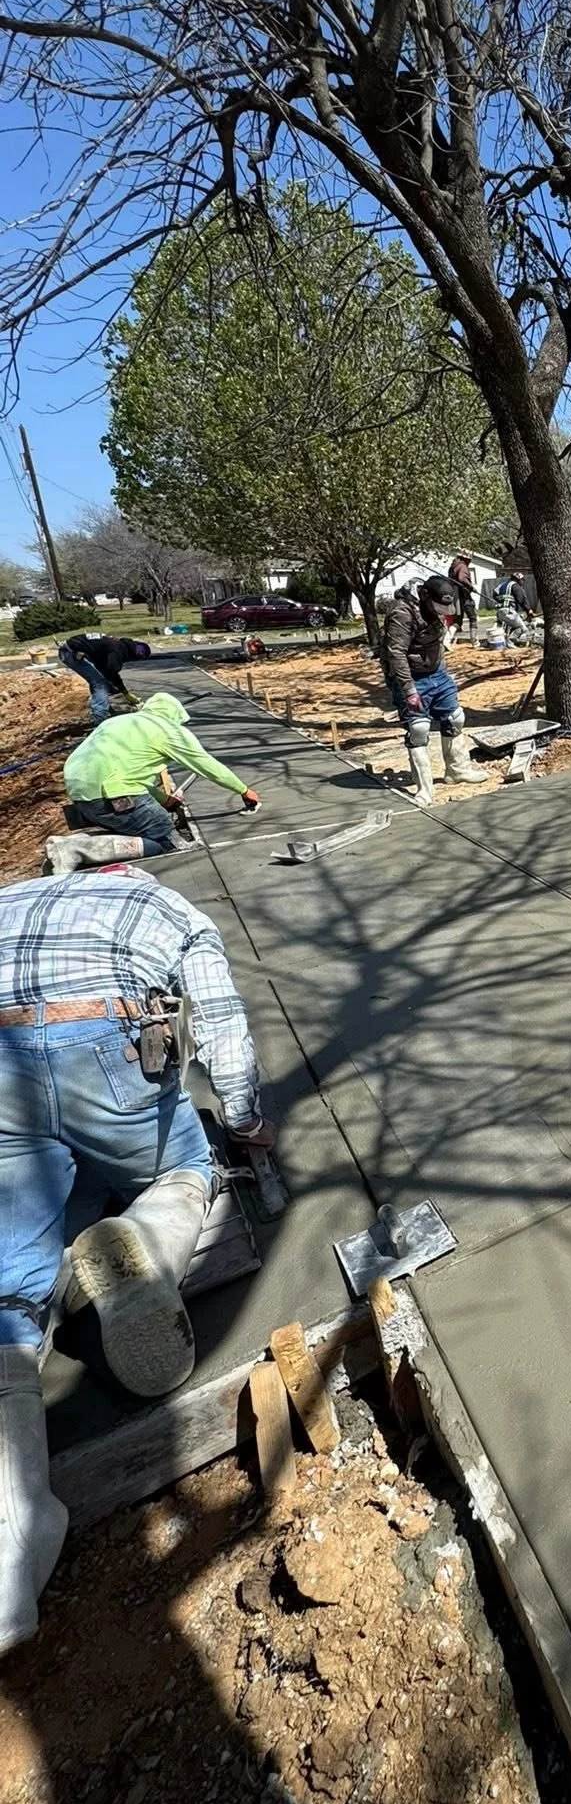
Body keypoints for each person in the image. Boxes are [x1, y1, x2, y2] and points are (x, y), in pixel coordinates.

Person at [0, 865, 277, 1653]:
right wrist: (247, 1115)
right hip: (101, 1048)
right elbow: (218, 1013)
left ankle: (9, 1561)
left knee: (8, 1295)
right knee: (178, 1169)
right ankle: (148, 1241)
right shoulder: (153, 900)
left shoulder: (6, 901)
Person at [47, 692, 261, 873]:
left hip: (82, 794)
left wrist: (163, 799)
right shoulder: (167, 730)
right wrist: (243, 790)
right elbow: (206, 765)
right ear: (174, 716)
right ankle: (78, 848)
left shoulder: (117, 722)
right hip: (115, 795)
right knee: (167, 843)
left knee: (137, 830)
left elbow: (123, 773)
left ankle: (82, 845)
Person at [380, 574, 489, 806]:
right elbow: (396, 654)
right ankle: (424, 790)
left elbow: (439, 640)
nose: (443, 611)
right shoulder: (402, 612)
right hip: (411, 677)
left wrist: (443, 670)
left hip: (437, 672)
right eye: (438, 606)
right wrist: (409, 690)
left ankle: (456, 770)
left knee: (455, 718)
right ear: (425, 596)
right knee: (419, 728)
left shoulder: (439, 606)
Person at [57, 633, 153, 725]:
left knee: (101, 681)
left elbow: (103, 667)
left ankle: (106, 711)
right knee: (100, 684)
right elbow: (112, 672)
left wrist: (117, 689)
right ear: (136, 655)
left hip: (74, 649)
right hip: (70, 653)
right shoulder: (117, 651)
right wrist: (125, 693)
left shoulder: (118, 644)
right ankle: (100, 720)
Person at [446, 553, 480, 646]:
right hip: (464, 596)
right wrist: (471, 587)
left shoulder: (453, 567)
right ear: (466, 559)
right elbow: (462, 578)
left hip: (455, 597)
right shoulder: (462, 566)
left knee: (458, 621)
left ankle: (447, 640)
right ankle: (475, 642)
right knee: (473, 618)